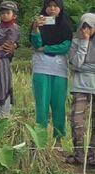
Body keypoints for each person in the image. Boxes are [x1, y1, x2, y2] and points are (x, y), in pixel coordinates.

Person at [31, 0, 73, 139]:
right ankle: (40, 140)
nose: (52, 9)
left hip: (59, 70)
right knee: (41, 106)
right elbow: (36, 44)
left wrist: (46, 48)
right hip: (41, 68)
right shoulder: (39, 22)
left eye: (55, 6)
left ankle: (59, 139)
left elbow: (66, 46)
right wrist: (36, 28)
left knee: (59, 106)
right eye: (49, 6)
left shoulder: (66, 25)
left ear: (60, 8)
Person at [67, 13, 95, 165]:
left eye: (89, 26)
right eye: (84, 26)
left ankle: (93, 155)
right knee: (77, 120)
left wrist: (85, 67)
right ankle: (79, 154)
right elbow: (76, 63)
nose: (86, 29)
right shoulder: (76, 40)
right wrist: (85, 42)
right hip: (80, 85)